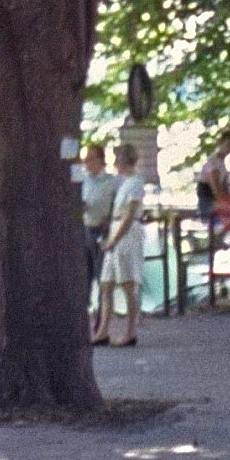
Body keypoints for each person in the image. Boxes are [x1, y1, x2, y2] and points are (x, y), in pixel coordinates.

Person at [94, 143, 148, 346]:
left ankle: (131, 331)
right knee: (106, 283)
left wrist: (115, 239)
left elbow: (130, 214)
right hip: (116, 231)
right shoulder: (123, 183)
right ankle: (102, 331)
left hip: (125, 234)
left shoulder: (135, 183)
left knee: (127, 283)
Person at [77, 143, 118, 290]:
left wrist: (110, 219)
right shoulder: (81, 180)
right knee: (83, 273)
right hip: (85, 228)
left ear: (101, 160)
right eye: (85, 160)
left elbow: (117, 205)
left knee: (102, 273)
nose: (87, 164)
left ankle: (102, 309)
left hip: (103, 230)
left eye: (91, 159)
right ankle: (84, 308)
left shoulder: (112, 181)